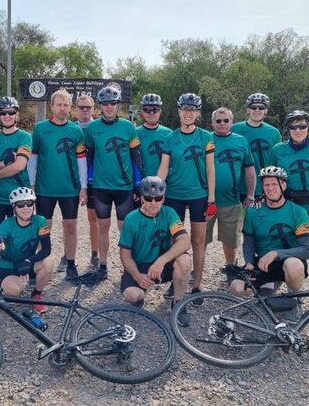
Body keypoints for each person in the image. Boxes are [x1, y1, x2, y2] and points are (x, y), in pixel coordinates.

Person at [229, 166, 309, 321]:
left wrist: (276, 253)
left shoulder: (298, 212)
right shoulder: (253, 211)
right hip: (263, 264)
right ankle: (269, 285)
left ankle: (293, 299)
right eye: (266, 185)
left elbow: (307, 250)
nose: (270, 188)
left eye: (274, 184)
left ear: (283, 186)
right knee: (236, 287)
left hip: (288, 261)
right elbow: (248, 242)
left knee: (293, 266)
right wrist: (248, 263)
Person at [157, 93, 215, 297]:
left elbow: (210, 170)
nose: (188, 113)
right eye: (185, 109)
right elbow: (164, 168)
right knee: (176, 241)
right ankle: (177, 280)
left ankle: (197, 285)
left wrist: (211, 199)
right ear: (179, 111)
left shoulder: (206, 137)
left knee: (199, 242)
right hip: (175, 194)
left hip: (199, 194)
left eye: (192, 110)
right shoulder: (170, 138)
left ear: (197, 113)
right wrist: (156, 189)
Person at [28, 89, 87, 280]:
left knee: (70, 226)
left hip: (69, 188)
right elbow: (33, 157)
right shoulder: (40, 128)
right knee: (44, 227)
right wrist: (30, 184)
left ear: (70, 108)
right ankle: (40, 262)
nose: (62, 108)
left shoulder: (76, 130)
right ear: (52, 106)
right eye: (59, 104)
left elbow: (81, 160)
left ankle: (71, 264)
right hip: (45, 188)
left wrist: (83, 186)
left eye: (66, 105)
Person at [85, 85, 143, 281]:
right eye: (105, 103)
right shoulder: (92, 128)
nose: (109, 107)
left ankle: (130, 267)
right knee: (103, 227)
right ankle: (103, 264)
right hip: (101, 186)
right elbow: (89, 158)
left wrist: (137, 184)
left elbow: (136, 157)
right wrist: (89, 183)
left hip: (124, 186)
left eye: (113, 103)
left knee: (124, 228)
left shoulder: (128, 127)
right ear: (100, 106)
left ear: (118, 105)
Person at [119, 177, 192, 326]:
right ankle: (141, 295)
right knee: (131, 296)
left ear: (163, 198)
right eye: (149, 198)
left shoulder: (169, 213)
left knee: (185, 260)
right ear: (141, 199)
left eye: (158, 198)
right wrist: (137, 276)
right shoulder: (131, 219)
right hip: (140, 265)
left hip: (162, 264)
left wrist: (160, 261)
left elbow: (185, 241)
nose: (154, 202)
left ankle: (177, 304)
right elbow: (125, 255)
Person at [206, 107, 256, 268]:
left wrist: (250, 194)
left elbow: (249, 168)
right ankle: (197, 268)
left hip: (231, 200)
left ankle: (230, 267)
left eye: (226, 120)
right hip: (205, 200)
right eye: (218, 121)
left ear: (232, 122)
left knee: (230, 240)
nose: (222, 123)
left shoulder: (241, 141)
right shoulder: (205, 139)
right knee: (201, 239)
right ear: (212, 123)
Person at [0, 187, 53, 314]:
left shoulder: (40, 221)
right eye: (20, 205)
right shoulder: (6, 224)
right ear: (14, 208)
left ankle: (36, 295)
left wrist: (29, 260)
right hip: (8, 266)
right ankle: (10, 285)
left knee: (48, 262)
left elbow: (46, 249)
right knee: (14, 291)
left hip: (26, 263)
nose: (25, 208)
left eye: (29, 203)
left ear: (33, 205)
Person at [0, 97, 32, 239]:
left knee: (20, 238)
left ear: (17, 115)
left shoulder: (25, 137)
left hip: (20, 197)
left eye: (11, 112)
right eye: (3, 113)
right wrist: (4, 163)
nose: (7, 116)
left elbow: (19, 166)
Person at [231, 93, 281, 200]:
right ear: (248, 110)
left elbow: (278, 160)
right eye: (253, 107)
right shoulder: (234, 129)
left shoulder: (274, 132)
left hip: (267, 186)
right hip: (240, 187)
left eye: (261, 107)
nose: (257, 110)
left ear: (266, 111)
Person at [74, 94, 100, 269]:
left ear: (93, 109)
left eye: (88, 107)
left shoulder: (97, 127)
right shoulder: (70, 128)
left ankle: (94, 252)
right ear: (76, 109)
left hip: (93, 178)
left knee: (93, 218)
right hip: (71, 178)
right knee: (69, 219)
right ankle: (66, 255)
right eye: (81, 107)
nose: (85, 110)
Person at [136, 93, 172, 209]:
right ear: (142, 111)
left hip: (164, 187)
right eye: (147, 109)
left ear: (160, 111)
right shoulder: (134, 133)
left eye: (155, 109)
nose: (151, 113)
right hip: (141, 187)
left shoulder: (169, 133)